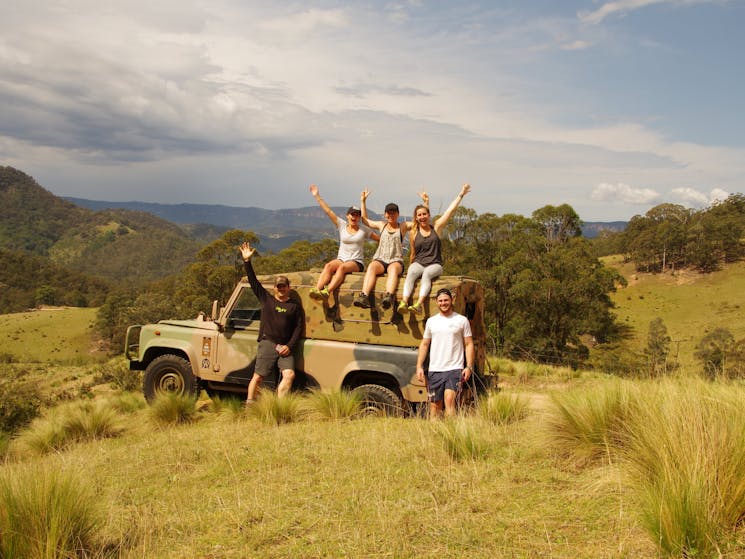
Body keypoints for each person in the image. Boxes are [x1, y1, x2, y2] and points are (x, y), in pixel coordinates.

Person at [239, 241, 305, 403]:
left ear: (289, 287)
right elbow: (254, 282)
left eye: (284, 286)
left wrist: (289, 346)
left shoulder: (294, 306)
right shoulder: (266, 299)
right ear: (274, 288)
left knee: (289, 375)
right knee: (258, 376)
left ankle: (278, 406)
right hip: (268, 343)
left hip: (285, 347)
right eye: (278, 286)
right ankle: (250, 405)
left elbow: (298, 328)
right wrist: (247, 261)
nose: (281, 289)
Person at [399, 183, 471, 314]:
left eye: (424, 214)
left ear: (429, 215)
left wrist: (461, 194)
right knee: (411, 273)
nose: (422, 217)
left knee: (426, 275)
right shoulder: (414, 232)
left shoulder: (436, 228)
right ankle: (404, 302)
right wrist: (410, 265)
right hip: (419, 263)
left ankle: (418, 305)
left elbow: (450, 211)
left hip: (435, 264)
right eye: (419, 215)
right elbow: (413, 252)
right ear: (416, 217)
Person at [353, 189, 428, 310]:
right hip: (380, 259)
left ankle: (389, 296)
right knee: (371, 267)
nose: (391, 215)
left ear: (398, 214)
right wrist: (363, 201)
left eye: (393, 213)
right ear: (385, 214)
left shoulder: (402, 226)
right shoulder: (381, 225)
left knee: (393, 270)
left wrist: (425, 203)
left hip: (396, 260)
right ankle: (364, 296)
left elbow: (420, 221)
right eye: (388, 213)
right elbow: (365, 220)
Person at [308, 184, 378, 302]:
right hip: (341, 258)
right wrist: (317, 196)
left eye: (357, 215)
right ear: (347, 216)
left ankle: (327, 291)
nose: (354, 217)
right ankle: (317, 289)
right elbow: (328, 211)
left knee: (342, 268)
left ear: (359, 218)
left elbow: (379, 239)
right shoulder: (341, 225)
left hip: (356, 262)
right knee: (328, 266)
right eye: (352, 214)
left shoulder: (364, 229)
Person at [415, 288, 475, 418]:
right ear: (436, 302)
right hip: (435, 369)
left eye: (446, 300)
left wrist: (469, 366)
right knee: (435, 405)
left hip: (454, 368)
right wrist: (419, 366)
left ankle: (451, 434)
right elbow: (425, 344)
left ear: (452, 300)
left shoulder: (461, 320)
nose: (443, 303)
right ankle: (435, 433)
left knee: (449, 400)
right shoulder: (431, 321)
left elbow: (469, 344)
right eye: (440, 301)